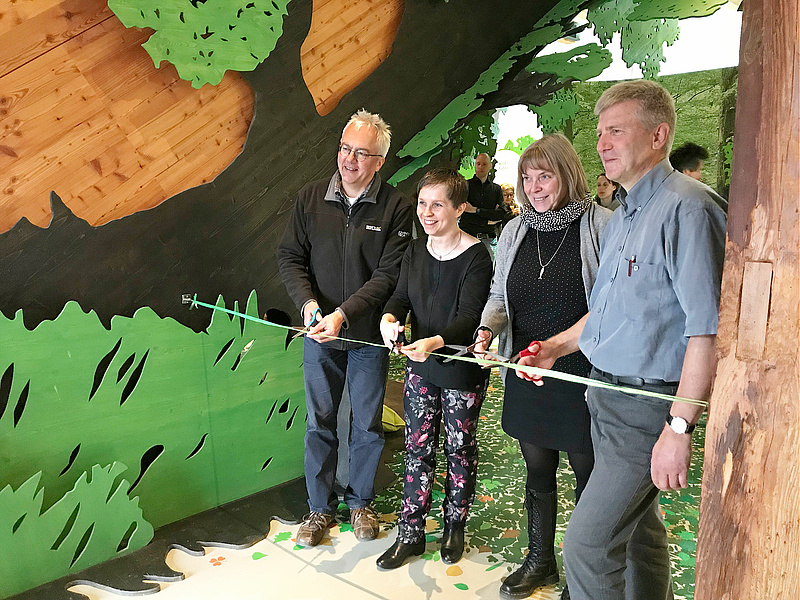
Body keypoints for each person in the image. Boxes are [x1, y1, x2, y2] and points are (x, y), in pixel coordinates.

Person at [520, 80, 726, 600]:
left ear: (658, 135)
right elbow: (607, 314)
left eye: (616, 130)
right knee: (639, 536)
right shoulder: (623, 215)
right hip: (604, 396)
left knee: (587, 547)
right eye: (599, 133)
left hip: (646, 407)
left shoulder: (690, 209)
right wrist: (557, 347)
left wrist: (679, 427)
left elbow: (708, 330)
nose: (603, 144)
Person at [473, 134, 611, 600]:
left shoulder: (601, 226)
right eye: (527, 178)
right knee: (537, 467)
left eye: (544, 176)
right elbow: (498, 297)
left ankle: (583, 572)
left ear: (567, 176)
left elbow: (611, 304)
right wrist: (488, 331)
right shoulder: (515, 232)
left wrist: (560, 346)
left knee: (587, 472)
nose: (534, 187)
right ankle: (540, 560)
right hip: (528, 368)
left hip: (584, 375)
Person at [277, 109, 413, 547]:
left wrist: (344, 316)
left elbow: (388, 276)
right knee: (320, 423)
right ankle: (319, 510)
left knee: (367, 425)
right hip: (320, 335)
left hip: (367, 338)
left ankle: (360, 503)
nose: (349, 159)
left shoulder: (396, 206)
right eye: (344, 148)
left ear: (379, 162)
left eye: (361, 153)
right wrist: (310, 304)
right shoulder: (310, 198)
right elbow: (290, 257)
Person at [376, 168, 493, 569]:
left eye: (437, 204)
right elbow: (400, 296)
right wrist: (389, 320)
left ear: (459, 208)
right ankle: (410, 533)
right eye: (423, 203)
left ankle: (454, 526)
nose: (427, 212)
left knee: (459, 450)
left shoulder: (478, 256)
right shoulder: (415, 250)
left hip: (460, 370)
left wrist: (434, 342)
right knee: (416, 450)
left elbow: (468, 317)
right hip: (420, 369)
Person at [459, 153, 509, 256]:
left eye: (484, 164)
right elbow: (464, 215)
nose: (481, 167)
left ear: (490, 166)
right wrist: (488, 220)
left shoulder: (496, 189)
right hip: (467, 237)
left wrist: (475, 210)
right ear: (475, 165)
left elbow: (501, 214)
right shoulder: (465, 186)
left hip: (489, 239)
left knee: (489, 269)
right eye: (478, 164)